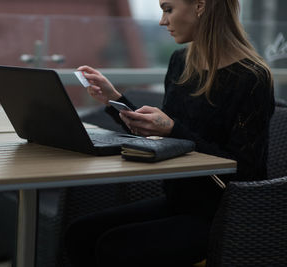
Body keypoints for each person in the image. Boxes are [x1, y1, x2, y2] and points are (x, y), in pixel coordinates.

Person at [64, 0, 275, 266]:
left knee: (114, 247)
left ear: (200, 6)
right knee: (80, 233)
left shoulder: (252, 77)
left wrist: (174, 129)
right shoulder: (180, 61)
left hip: (226, 214)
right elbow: (162, 135)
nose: (163, 21)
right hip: (179, 201)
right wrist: (114, 99)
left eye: (168, 9)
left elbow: (246, 172)